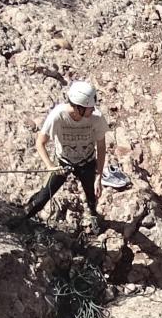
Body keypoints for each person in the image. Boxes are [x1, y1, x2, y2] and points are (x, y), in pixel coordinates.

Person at [19, 81, 109, 233]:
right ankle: (23, 218)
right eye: (90, 107)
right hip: (63, 162)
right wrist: (50, 166)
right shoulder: (58, 116)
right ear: (79, 107)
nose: (93, 109)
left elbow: (101, 146)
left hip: (87, 162)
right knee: (43, 196)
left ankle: (94, 215)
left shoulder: (96, 118)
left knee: (91, 195)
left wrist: (99, 176)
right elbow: (40, 142)